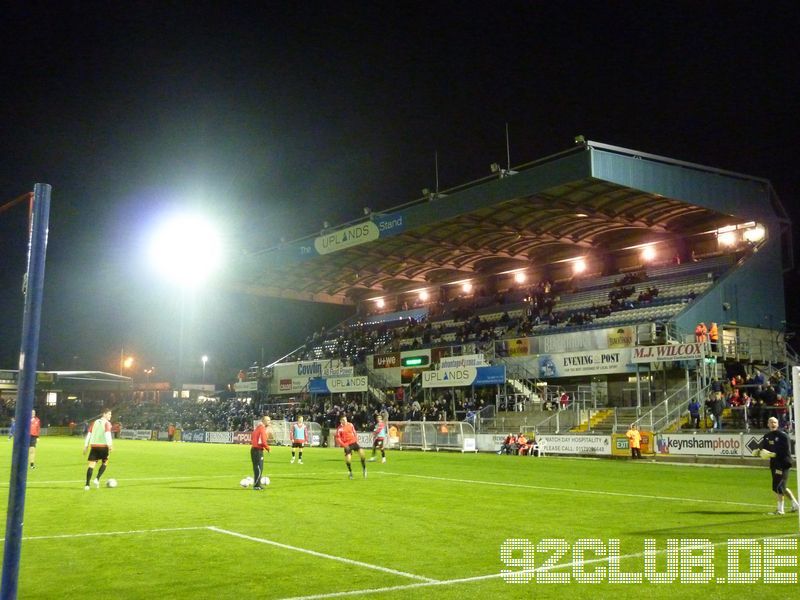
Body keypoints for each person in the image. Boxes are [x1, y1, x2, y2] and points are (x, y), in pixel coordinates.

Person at [756, 417, 799, 515]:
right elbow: (763, 447)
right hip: (774, 464)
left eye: (775, 422)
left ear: (778, 424)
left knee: (777, 486)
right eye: (771, 422)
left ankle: (780, 510)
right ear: (767, 424)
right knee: (782, 486)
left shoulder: (783, 436)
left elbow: (787, 450)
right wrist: (758, 451)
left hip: (783, 463)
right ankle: (795, 504)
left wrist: (774, 454)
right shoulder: (767, 436)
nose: (773, 424)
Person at [83, 409, 113, 490]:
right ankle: (97, 479)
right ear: (104, 414)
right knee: (105, 462)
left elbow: (89, 434)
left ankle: (87, 485)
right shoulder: (107, 423)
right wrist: (110, 445)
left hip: (94, 446)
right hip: (103, 446)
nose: (110, 416)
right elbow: (107, 434)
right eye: (109, 414)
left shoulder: (94, 422)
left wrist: (85, 446)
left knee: (91, 465)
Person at [335, 415, 366, 479]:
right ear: (340, 421)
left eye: (345, 419)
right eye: (343, 420)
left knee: (362, 454)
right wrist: (344, 445)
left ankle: (364, 469)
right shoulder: (339, 428)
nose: (345, 421)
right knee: (348, 460)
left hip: (353, 442)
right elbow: (338, 438)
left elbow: (354, 432)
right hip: (347, 445)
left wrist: (356, 439)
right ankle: (350, 472)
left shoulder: (351, 425)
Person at [251, 415, 271, 490]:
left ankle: (257, 484)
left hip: (254, 449)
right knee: (259, 468)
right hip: (258, 450)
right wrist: (267, 448)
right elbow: (263, 440)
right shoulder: (262, 428)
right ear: (264, 421)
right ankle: (257, 485)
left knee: (257, 468)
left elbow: (252, 437)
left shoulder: (257, 428)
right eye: (268, 420)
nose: (269, 422)